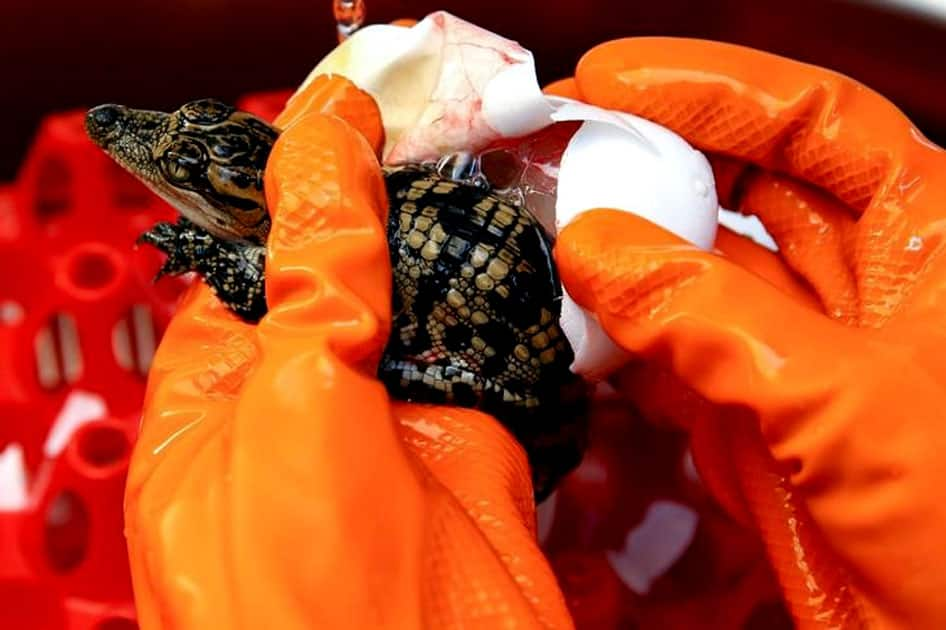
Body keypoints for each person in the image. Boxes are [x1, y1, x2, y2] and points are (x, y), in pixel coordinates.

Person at [123, 37, 946, 629]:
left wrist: (213, 257)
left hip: (500, 343)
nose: (137, 145)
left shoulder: (308, 246)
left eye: (188, 161)